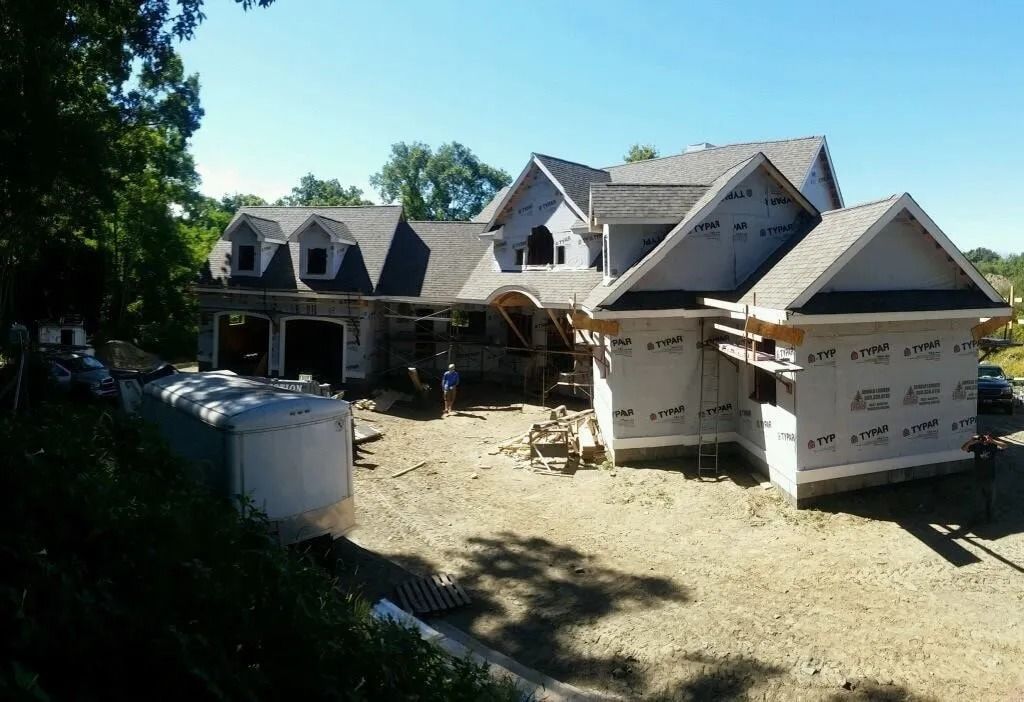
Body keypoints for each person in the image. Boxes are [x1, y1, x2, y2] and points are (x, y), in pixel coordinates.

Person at [961, 433, 1006, 522]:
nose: (984, 440)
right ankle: (978, 516)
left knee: (991, 498)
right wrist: (972, 441)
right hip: (978, 476)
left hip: (990, 477)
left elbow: (1004, 446)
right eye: (983, 438)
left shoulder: (993, 446)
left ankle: (989, 516)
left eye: (986, 438)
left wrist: (992, 441)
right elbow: (963, 448)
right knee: (978, 498)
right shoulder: (977, 446)